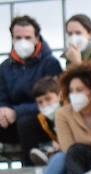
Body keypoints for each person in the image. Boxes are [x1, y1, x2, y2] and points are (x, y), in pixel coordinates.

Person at [0, 16, 63, 162]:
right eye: (18, 38)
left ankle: (29, 170)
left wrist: (16, 112)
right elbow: (2, 98)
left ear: (36, 38)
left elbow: (53, 101)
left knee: (25, 123)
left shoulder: (50, 63)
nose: (23, 42)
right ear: (12, 39)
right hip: (13, 123)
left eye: (28, 37)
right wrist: (3, 111)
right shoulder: (4, 67)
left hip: (44, 121)